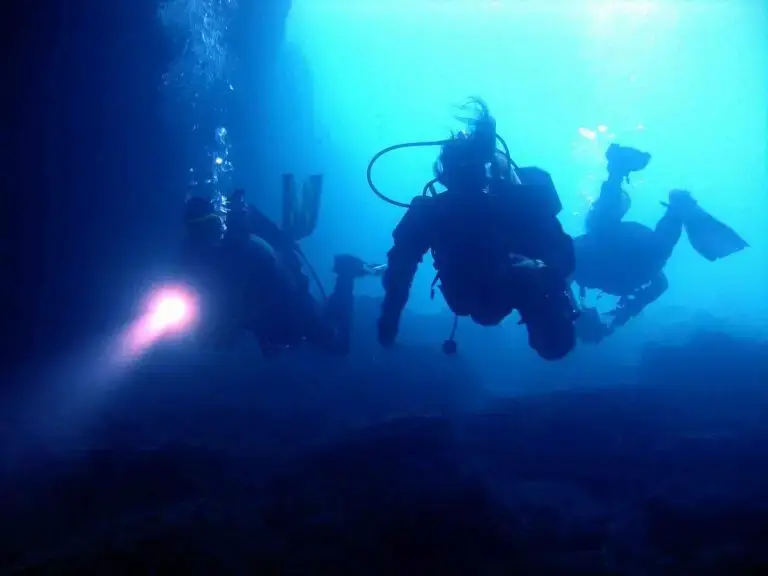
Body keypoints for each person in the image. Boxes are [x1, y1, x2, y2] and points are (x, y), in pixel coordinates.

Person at [377, 100, 578, 360]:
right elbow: (401, 266)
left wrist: (389, 319)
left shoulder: (433, 211)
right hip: (504, 289)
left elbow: (400, 269)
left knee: (483, 312)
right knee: (485, 312)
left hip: (496, 290)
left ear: (444, 176)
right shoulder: (512, 203)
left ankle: (546, 316)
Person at [574, 144, 749, 339]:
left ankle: (621, 176)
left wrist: (613, 315)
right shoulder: (597, 238)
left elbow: (561, 276)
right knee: (652, 247)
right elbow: (660, 281)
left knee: (608, 230)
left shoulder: (584, 242)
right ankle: (673, 207)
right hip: (641, 263)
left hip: (632, 263)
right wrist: (620, 314)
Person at [181, 186, 381, 356]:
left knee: (336, 347)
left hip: (288, 302)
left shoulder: (235, 246)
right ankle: (343, 277)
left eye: (203, 226)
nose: (201, 236)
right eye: (196, 229)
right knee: (326, 338)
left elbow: (257, 290)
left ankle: (345, 273)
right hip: (273, 309)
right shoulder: (211, 253)